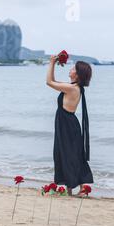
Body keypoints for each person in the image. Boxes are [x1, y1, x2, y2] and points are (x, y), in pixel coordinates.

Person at [46, 57, 94, 196]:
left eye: (73, 69)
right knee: (68, 155)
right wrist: (54, 64)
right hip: (67, 124)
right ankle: (72, 189)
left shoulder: (72, 88)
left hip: (67, 126)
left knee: (70, 155)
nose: (70, 69)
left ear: (78, 75)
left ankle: (78, 188)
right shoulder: (72, 87)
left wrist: (51, 63)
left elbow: (49, 82)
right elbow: (53, 80)